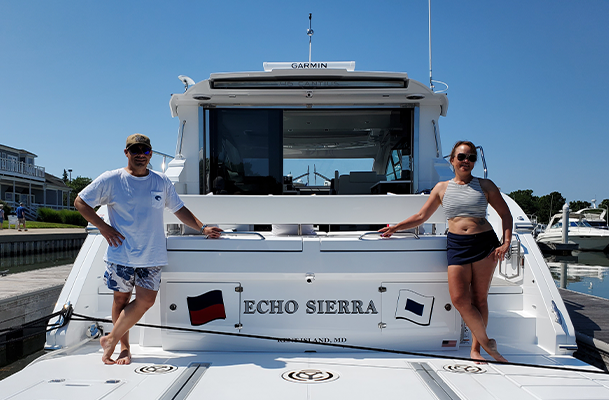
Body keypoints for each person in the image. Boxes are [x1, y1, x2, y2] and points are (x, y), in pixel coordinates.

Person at [75, 133, 222, 365]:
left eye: (145, 151)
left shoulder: (160, 181)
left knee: (145, 301)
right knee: (120, 301)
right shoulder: (111, 179)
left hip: (151, 255)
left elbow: (179, 209)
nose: (141, 155)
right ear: (127, 153)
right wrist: (103, 228)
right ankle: (123, 348)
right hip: (120, 253)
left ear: (150, 153)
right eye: (135, 151)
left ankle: (110, 339)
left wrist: (202, 227)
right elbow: (80, 202)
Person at [378, 140, 512, 363]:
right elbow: (422, 216)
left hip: (484, 244)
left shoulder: (486, 185)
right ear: (452, 160)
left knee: (480, 298)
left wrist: (506, 242)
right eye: (461, 157)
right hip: (458, 245)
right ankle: (488, 342)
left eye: (471, 157)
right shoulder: (442, 188)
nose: (466, 161)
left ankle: (477, 349)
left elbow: (505, 215)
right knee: (459, 298)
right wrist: (395, 227)